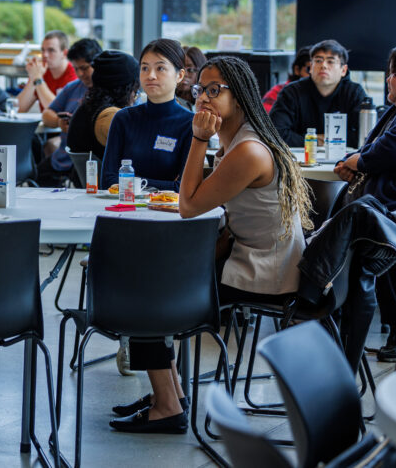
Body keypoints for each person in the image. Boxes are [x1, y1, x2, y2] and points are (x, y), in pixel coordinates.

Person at [109, 55, 312, 434]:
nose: (203, 98)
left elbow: (188, 206)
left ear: (241, 96)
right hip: (261, 259)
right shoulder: (244, 138)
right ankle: (167, 397)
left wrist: (199, 139)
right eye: (201, 89)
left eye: (215, 90)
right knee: (150, 273)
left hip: (264, 274)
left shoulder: (249, 151)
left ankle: (168, 406)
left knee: (142, 288)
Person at [334, 42, 396, 361]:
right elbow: (369, 152)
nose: (388, 79)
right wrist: (352, 163)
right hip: (383, 206)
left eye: (394, 73)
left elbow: (389, 151)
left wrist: (356, 163)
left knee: (382, 242)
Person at [101, 39, 193, 190]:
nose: (150, 75)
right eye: (144, 68)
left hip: (165, 209)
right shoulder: (123, 118)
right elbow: (107, 180)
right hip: (123, 207)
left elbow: (182, 187)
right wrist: (158, 185)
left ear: (180, 75)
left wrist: (129, 182)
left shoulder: (189, 123)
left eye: (160, 68)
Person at [270, 39, 368, 148]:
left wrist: (311, 139)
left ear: (343, 70)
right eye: (318, 61)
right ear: (311, 67)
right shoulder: (291, 92)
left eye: (330, 61)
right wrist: (316, 141)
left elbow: (365, 135)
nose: (323, 65)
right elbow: (275, 133)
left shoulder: (354, 93)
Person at [37, 38, 102, 185]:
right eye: (76, 68)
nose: (80, 74)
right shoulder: (72, 88)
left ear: (97, 64)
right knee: (38, 175)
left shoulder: (109, 91)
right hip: (63, 158)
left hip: (90, 161)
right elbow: (47, 114)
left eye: (84, 68)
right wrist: (59, 122)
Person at [65, 50, 139, 163]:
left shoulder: (89, 106)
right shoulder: (110, 117)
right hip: (109, 180)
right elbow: (139, 148)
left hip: (91, 179)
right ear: (127, 88)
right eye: (135, 90)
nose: (135, 96)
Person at [16, 30, 77, 113]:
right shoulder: (41, 72)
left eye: (51, 50)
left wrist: (38, 79)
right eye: (43, 50)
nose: (45, 55)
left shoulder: (75, 74)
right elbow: (19, 109)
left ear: (65, 53)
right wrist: (33, 77)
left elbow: (59, 112)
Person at [263, 46, 311, 113]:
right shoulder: (278, 92)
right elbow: (266, 119)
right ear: (297, 69)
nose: (313, 75)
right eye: (309, 69)